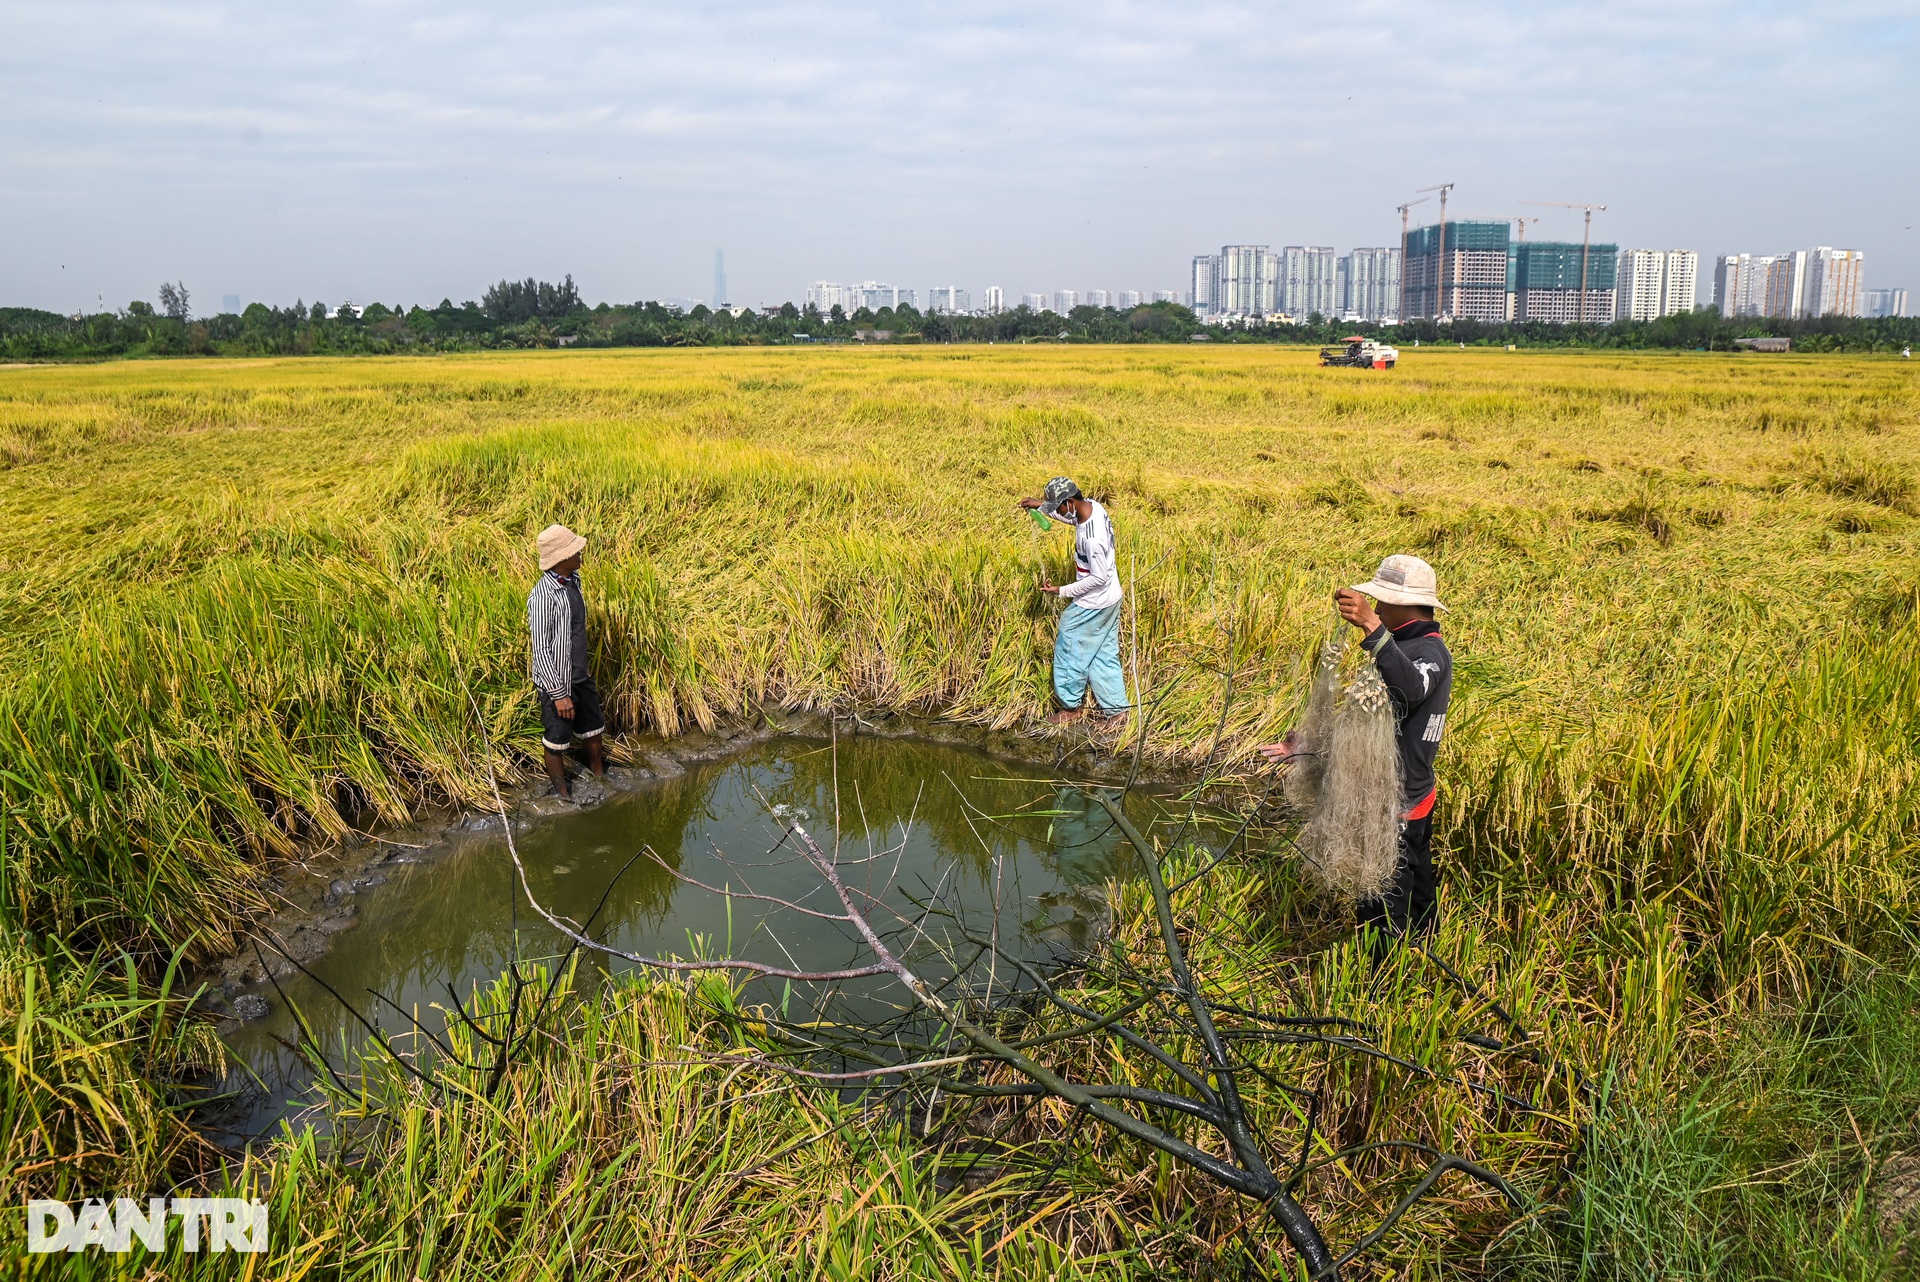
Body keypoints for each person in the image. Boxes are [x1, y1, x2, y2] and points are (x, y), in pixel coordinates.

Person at [1260, 554, 1452, 949]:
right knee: (1414, 882)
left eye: (1382, 603)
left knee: (1383, 898)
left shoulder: (1429, 652)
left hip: (1400, 799)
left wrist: (1372, 626)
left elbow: (1411, 688)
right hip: (1402, 793)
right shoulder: (1400, 644)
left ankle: (1383, 983)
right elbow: (1367, 728)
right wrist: (1306, 743)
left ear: (1404, 604)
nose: (1377, 607)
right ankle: (1424, 950)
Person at [1018, 477, 1129, 726]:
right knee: (1102, 653)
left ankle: (1071, 707)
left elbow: (1099, 578)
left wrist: (1061, 590)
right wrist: (1040, 505)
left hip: (1094, 601)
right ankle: (1118, 711)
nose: (1057, 512)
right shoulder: (1091, 507)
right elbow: (1071, 518)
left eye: (1057, 507)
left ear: (1069, 501)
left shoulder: (1092, 540)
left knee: (1069, 640)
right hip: (1111, 598)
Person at [528, 523, 607, 800]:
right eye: (575, 550)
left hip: (579, 675)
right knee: (557, 739)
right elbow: (541, 650)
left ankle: (600, 778)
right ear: (561, 558)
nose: (580, 553)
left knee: (593, 727)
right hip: (557, 682)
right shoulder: (542, 597)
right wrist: (559, 694)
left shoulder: (573, 582)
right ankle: (563, 795)